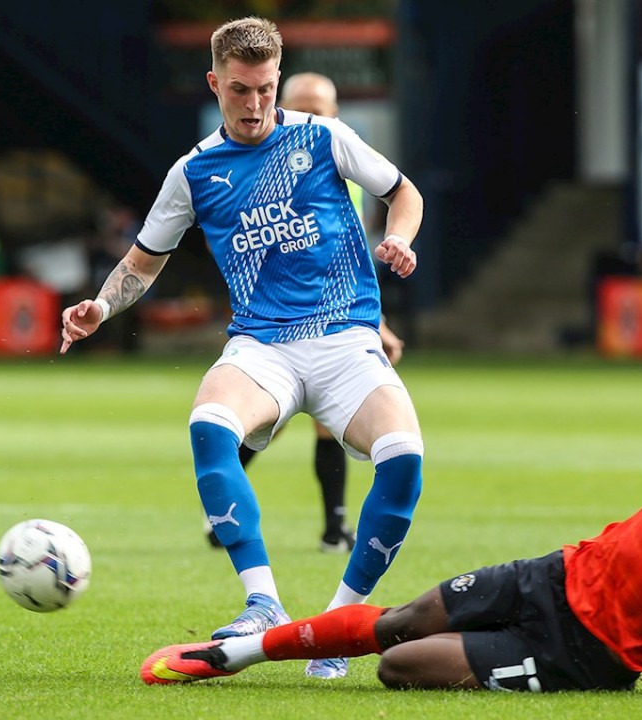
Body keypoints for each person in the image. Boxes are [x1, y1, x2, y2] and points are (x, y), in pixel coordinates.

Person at [141, 224, 642, 702]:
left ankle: (479, 655)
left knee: (399, 667)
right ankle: (235, 655)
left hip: (590, 654)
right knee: (406, 618)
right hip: (558, 574)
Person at [60, 16, 425, 681]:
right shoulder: (194, 172)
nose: (254, 105)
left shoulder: (324, 137)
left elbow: (403, 192)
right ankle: (262, 603)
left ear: (276, 79)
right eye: (239, 91)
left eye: (264, 89)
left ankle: (335, 626)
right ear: (214, 84)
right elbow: (142, 262)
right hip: (264, 347)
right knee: (209, 422)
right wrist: (103, 306)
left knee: (404, 459)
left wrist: (400, 237)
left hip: (346, 338)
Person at [204, 71, 405, 554]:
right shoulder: (257, 166)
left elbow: (344, 257)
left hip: (333, 316)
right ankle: (226, 508)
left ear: (334, 114)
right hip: (274, 318)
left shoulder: (341, 164)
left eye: (319, 109)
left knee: (315, 421)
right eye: (302, 107)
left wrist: (373, 322)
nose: (310, 116)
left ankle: (332, 526)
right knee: (264, 423)